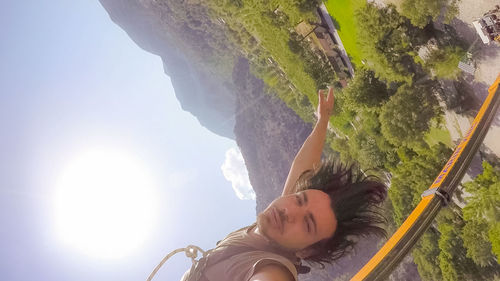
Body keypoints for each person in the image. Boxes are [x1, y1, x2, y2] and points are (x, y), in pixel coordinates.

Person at [182, 87, 388, 281]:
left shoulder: (273, 268)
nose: (289, 212)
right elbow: (303, 165)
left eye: (307, 224)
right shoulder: (272, 227)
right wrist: (323, 120)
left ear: (307, 250)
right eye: (299, 199)